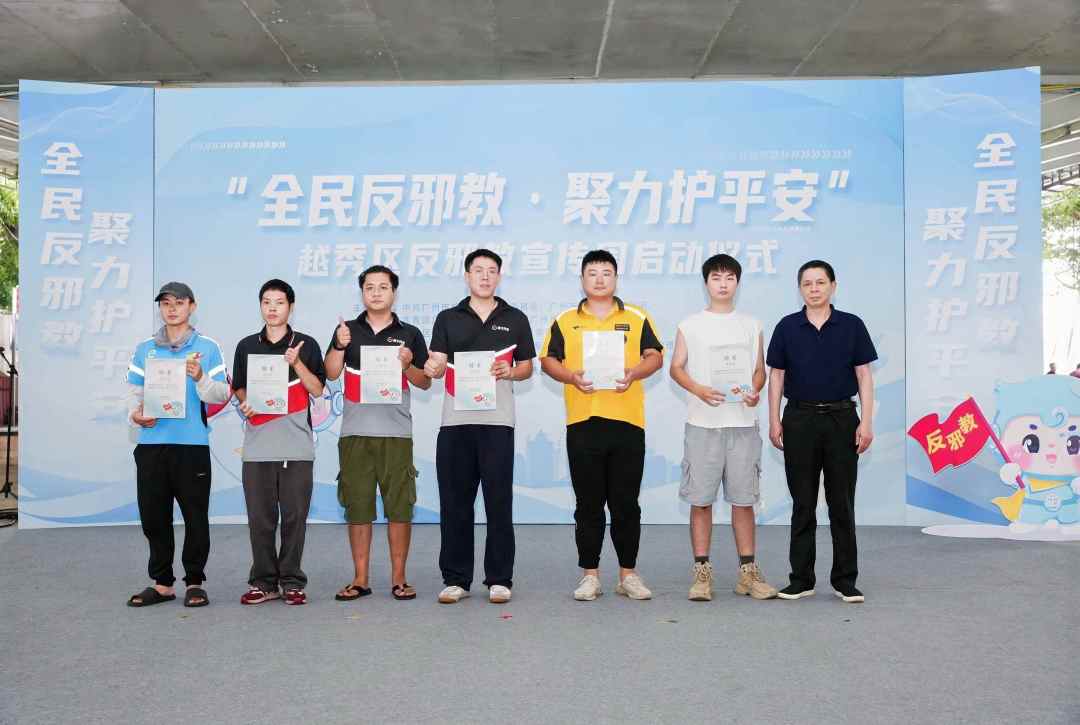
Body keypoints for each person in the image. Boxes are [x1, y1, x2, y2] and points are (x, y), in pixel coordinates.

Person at [539, 249, 664, 602]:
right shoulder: (565, 320)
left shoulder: (637, 317)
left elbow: (655, 356)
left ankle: (628, 575)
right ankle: (590, 575)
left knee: (626, 504)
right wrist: (571, 377)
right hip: (583, 421)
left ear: (616, 278)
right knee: (588, 504)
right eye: (592, 273)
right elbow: (548, 360)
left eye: (606, 273)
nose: (599, 279)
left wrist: (634, 372)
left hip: (627, 422)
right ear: (582, 279)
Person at [423, 249, 535, 604]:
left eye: (491, 271)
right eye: (478, 270)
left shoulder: (515, 318)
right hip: (455, 422)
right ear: (467, 276)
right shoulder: (447, 318)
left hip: (498, 422)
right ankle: (456, 579)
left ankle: (499, 579)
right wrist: (432, 368)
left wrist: (510, 371)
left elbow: (527, 367)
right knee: (455, 502)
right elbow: (437, 362)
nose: (485, 276)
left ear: (499, 276)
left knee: (498, 502)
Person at [766, 260, 876, 604]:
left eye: (820, 282)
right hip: (799, 419)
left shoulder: (852, 325)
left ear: (833, 286)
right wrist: (773, 419)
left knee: (841, 502)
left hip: (842, 419)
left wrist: (866, 421)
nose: (814, 289)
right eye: (807, 283)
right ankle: (801, 579)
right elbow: (776, 377)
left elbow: (864, 375)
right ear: (800, 288)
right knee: (802, 503)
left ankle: (845, 580)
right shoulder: (787, 327)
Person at [669, 253, 777, 602]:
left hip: (742, 425)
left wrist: (754, 392)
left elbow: (759, 370)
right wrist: (698, 389)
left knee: (744, 501)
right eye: (716, 278)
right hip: (703, 424)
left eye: (730, 278)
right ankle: (702, 573)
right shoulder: (690, 324)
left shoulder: (751, 324)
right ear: (706, 283)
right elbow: (676, 367)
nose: (723, 284)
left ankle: (748, 573)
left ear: (738, 283)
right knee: (700, 501)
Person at [325, 265, 431, 602]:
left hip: (396, 434)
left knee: (399, 507)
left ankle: (399, 579)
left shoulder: (410, 333)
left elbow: (424, 382)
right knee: (357, 506)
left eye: (383, 287)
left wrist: (408, 364)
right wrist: (339, 346)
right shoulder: (347, 330)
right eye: (369, 287)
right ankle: (360, 579)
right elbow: (331, 373)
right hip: (355, 433)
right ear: (362, 292)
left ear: (393, 292)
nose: (376, 292)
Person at [125, 282, 229, 608]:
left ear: (192, 306)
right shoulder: (145, 349)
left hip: (191, 445)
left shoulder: (208, 347)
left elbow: (221, 394)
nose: (172, 309)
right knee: (153, 516)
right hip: (151, 445)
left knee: (195, 516)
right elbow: (134, 393)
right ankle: (162, 583)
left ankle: (195, 582)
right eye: (166, 303)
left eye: (179, 302)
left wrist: (200, 377)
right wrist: (135, 415)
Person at [232, 279, 326, 606]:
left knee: (294, 518)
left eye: (279, 302)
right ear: (260, 306)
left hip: (296, 446)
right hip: (258, 447)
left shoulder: (307, 345)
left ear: (291, 307)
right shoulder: (246, 345)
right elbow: (239, 386)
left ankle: (292, 581)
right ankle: (263, 582)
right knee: (260, 519)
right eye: (266, 302)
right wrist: (245, 402)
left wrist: (296, 363)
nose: (272, 308)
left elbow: (317, 389)